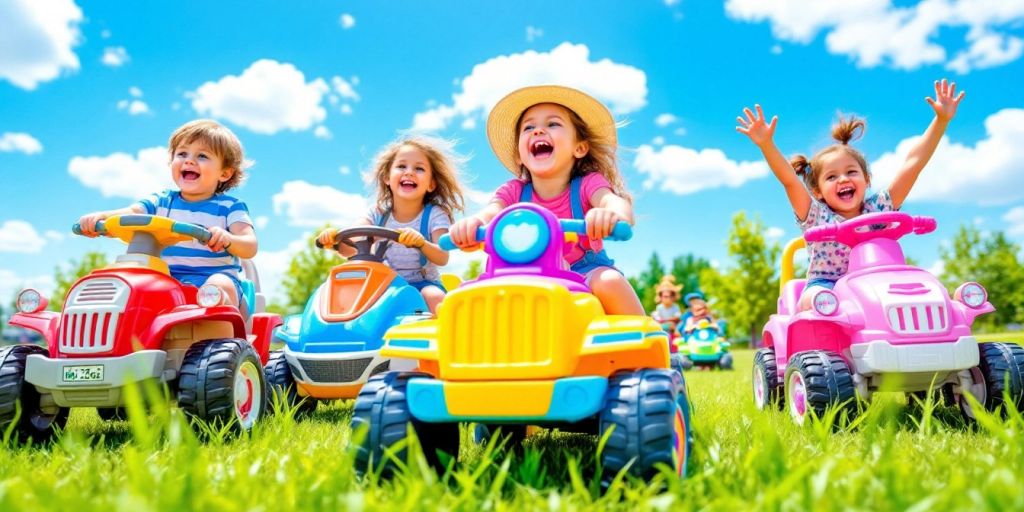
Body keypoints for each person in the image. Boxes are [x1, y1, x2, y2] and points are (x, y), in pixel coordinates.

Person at [736, 79, 965, 310]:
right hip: (828, 285)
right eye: (832, 177)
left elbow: (912, 165)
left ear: (866, 180)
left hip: (878, 282)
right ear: (817, 191)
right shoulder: (816, 215)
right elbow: (789, 181)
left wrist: (941, 121)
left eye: (851, 172)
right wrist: (766, 144)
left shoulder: (879, 210)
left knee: (925, 290)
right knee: (815, 300)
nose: (843, 179)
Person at [449, 85, 643, 315]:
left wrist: (612, 215)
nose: (538, 131)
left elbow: (614, 202)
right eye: (528, 127)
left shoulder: (588, 184)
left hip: (584, 271)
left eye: (552, 124)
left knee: (609, 281)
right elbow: (490, 213)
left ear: (579, 148)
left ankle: (646, 339)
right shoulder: (513, 192)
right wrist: (472, 225)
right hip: (523, 274)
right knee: (471, 296)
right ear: (519, 156)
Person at [78, 119, 256, 308]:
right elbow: (131, 213)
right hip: (166, 281)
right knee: (127, 285)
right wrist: (102, 217)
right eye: (182, 153)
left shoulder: (230, 207)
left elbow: (249, 245)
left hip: (210, 281)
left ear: (224, 174)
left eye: (202, 156)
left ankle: (222, 338)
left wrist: (228, 238)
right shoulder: (161, 201)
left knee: (219, 284)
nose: (189, 160)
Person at [318, 136, 465, 315]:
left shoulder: (435, 214)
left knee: (433, 296)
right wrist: (334, 239)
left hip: (423, 284)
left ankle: (445, 338)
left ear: (431, 184)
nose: (409, 172)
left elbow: (442, 257)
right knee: (350, 297)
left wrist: (421, 243)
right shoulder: (376, 213)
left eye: (419, 168)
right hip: (383, 285)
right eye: (402, 166)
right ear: (387, 177)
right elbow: (354, 245)